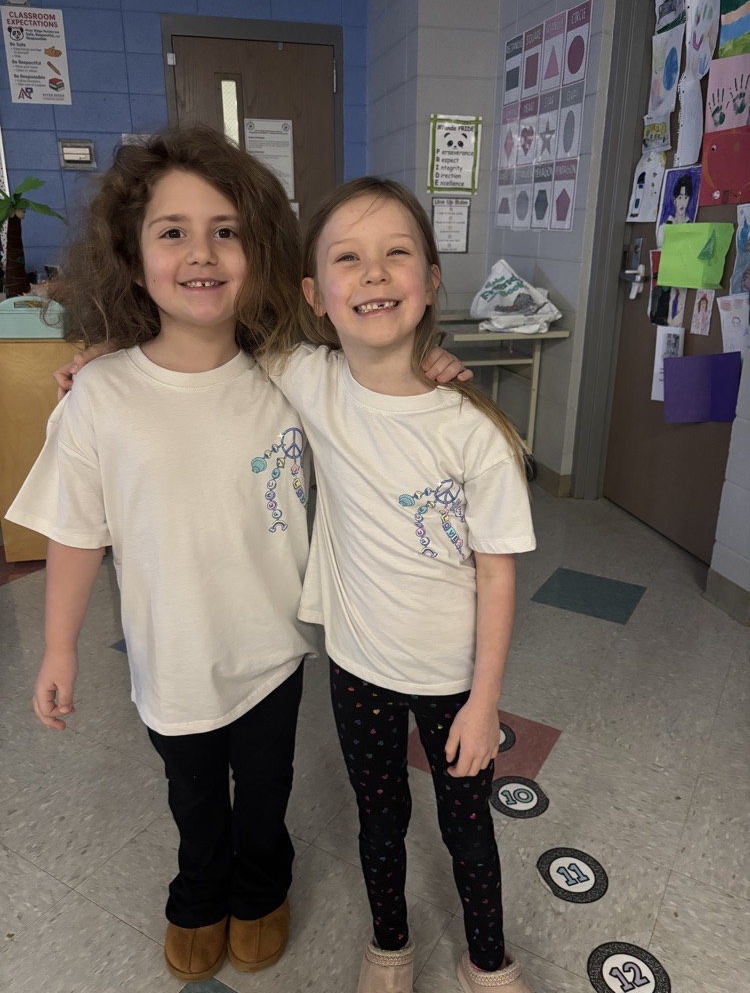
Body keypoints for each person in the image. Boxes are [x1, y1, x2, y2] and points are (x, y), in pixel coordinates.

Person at [6, 129, 466, 985]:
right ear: (132, 257)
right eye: (172, 232)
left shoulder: (291, 373)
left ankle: (263, 887)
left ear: (258, 252)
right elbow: (75, 528)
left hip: (272, 650)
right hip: (169, 656)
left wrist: (430, 361)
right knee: (192, 797)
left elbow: (385, 380)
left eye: (226, 230)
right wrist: (61, 647)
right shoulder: (100, 396)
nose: (202, 253)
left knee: (264, 792)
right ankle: (198, 892)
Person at [268, 178, 537, 993]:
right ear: (316, 296)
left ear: (430, 284)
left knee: (467, 830)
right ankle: (391, 945)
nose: (375, 274)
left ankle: (486, 958)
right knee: (380, 822)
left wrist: (486, 702)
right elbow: (201, 334)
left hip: (456, 679)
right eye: (349, 259)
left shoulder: (474, 432)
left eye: (397, 255)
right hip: (358, 667)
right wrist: (104, 355)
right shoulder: (308, 378)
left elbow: (497, 572)